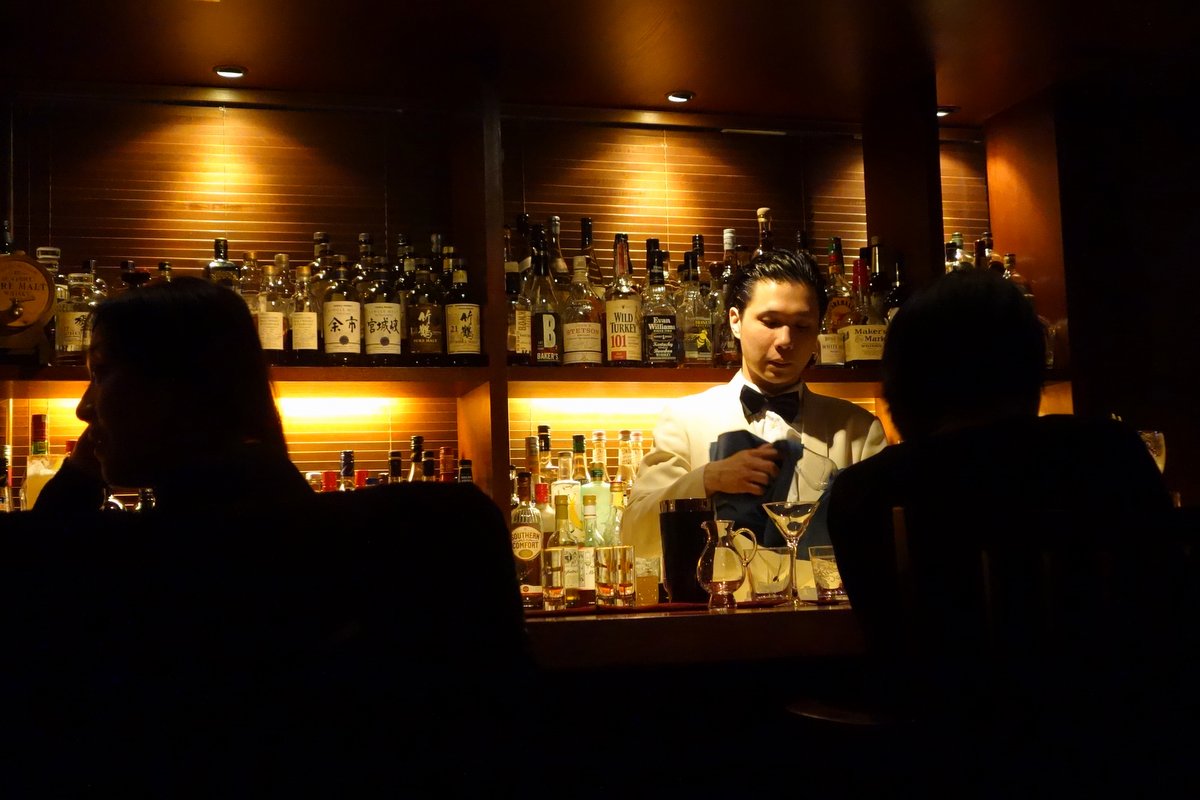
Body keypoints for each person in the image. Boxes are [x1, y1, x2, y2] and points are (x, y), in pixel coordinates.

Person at [5, 277, 533, 794]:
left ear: (180, 387)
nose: (84, 407)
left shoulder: (121, 563)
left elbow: (38, 575)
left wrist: (77, 478)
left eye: (101, 372)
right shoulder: (443, 524)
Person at [823, 269, 1181, 793]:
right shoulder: (1111, 453)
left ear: (902, 379)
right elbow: (1167, 610)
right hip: (1124, 755)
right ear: (1030, 365)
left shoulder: (865, 491)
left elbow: (894, 653)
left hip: (941, 767)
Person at [624, 248, 889, 567]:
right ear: (735, 321)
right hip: (719, 599)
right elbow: (635, 533)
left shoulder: (859, 430)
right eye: (771, 322)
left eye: (802, 326)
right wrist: (707, 479)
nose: (786, 340)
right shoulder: (683, 420)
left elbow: (883, 548)